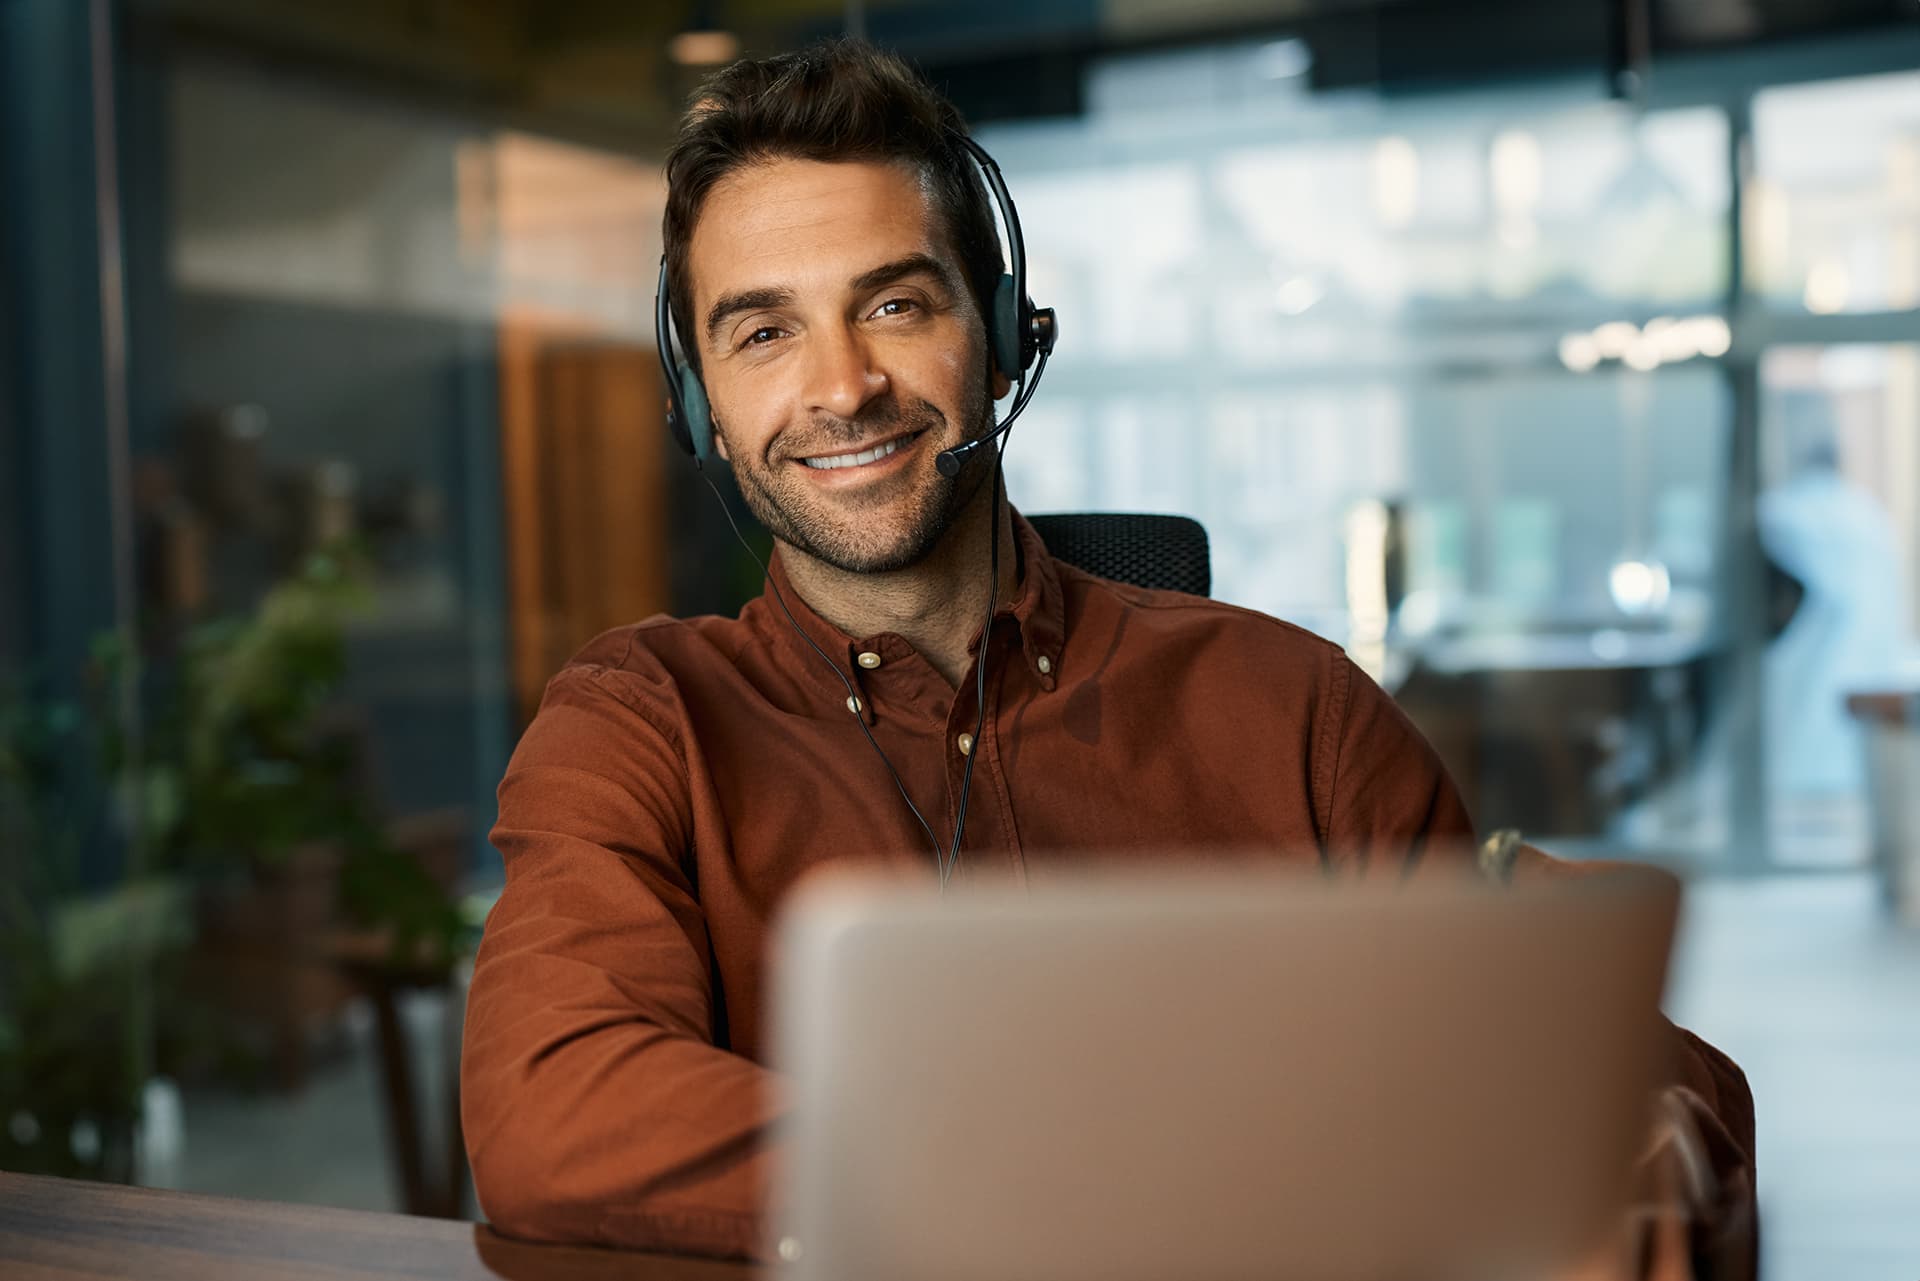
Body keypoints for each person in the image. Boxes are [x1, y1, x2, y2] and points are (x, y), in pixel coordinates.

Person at [460, 39, 1755, 1274]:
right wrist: (1079, 1175)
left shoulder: (1288, 711)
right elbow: (550, 1103)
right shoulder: (640, 723)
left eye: (896, 303)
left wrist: (1637, 1137)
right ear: (702, 407)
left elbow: (1647, 1073)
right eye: (764, 332)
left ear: (1006, 337)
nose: (843, 385)